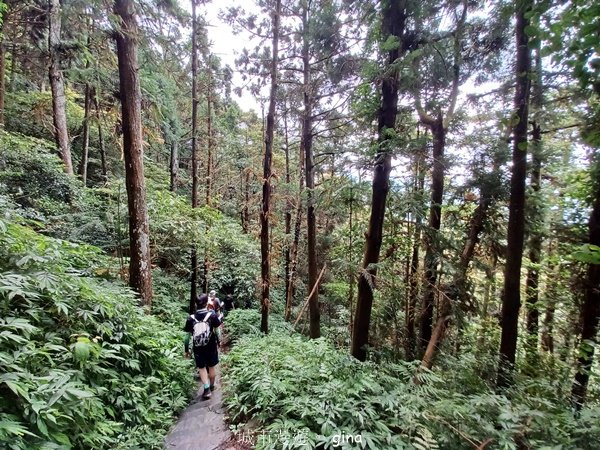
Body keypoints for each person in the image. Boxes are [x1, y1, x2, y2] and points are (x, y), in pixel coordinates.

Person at [184, 294, 222, 399]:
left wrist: (186, 350)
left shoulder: (190, 318)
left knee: (201, 367)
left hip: (198, 347)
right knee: (211, 366)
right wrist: (219, 341)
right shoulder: (212, 315)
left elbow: (187, 337)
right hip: (211, 345)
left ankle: (206, 389)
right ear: (206, 303)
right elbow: (217, 329)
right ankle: (212, 385)